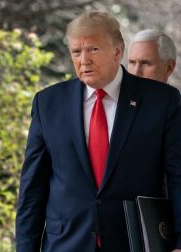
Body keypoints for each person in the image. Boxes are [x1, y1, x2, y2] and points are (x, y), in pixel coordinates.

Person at [15, 11, 181, 252]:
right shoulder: (47, 103)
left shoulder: (161, 101)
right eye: (76, 52)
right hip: (66, 243)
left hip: (135, 242)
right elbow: (32, 188)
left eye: (93, 50)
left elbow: (178, 176)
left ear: (117, 51)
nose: (84, 60)